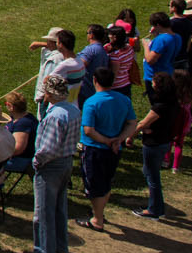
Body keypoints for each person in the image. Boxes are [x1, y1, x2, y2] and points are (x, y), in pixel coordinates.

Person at [26, 73, 78, 253]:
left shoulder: (55, 116)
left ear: (50, 93)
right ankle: (60, 245)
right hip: (66, 162)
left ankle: (44, 251)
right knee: (59, 207)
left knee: (44, 210)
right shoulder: (72, 110)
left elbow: (48, 148)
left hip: (51, 165)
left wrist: (37, 162)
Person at [77, 69, 136, 232]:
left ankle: (97, 219)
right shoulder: (123, 100)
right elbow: (132, 123)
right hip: (114, 149)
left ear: (95, 80)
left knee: (94, 185)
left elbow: (89, 130)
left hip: (95, 149)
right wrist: (119, 139)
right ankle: (99, 212)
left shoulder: (92, 102)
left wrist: (106, 141)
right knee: (106, 182)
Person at [134, 69, 182, 219]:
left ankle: (154, 209)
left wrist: (129, 136)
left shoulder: (160, 107)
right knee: (151, 174)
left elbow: (142, 123)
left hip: (153, 144)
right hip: (164, 142)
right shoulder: (174, 102)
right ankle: (157, 206)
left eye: (154, 83)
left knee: (152, 177)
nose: (152, 85)